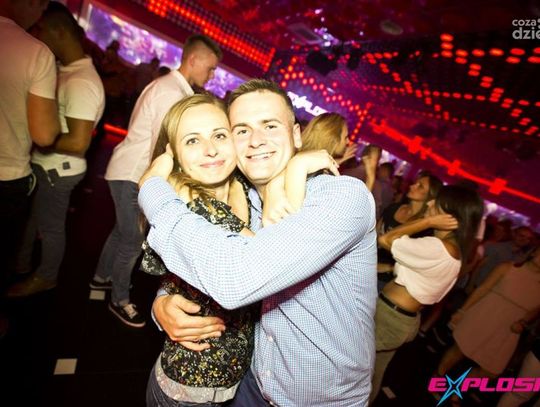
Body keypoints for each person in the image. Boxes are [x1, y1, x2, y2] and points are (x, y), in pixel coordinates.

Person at [139, 79, 377, 406]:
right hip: (251, 383)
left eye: (270, 125)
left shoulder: (341, 198)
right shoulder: (244, 198)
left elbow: (236, 278)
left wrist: (152, 188)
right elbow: (201, 254)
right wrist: (163, 301)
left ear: (296, 135)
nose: (256, 140)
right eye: (241, 130)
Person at [90, 34, 222, 328]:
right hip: (134, 175)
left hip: (126, 170)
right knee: (132, 240)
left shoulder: (169, 86)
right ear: (193, 60)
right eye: (211, 68)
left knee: (121, 233)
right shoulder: (171, 93)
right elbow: (159, 147)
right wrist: (164, 187)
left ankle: (101, 278)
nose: (212, 75)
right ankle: (119, 300)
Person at [8, 1, 105, 297]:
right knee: (33, 221)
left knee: (50, 227)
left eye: (41, 30)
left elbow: (78, 142)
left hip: (58, 170)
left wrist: (36, 135)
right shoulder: (65, 70)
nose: (37, 35)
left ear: (58, 32)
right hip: (48, 165)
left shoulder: (82, 81)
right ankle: (20, 265)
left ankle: (46, 277)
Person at [370, 185, 484, 402]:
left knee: (351, 368)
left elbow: (385, 240)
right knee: (372, 374)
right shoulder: (453, 251)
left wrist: (427, 222)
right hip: (401, 318)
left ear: (450, 217)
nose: (430, 204)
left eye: (436, 203)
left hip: (390, 317)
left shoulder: (438, 247)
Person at [0, 0, 59, 281]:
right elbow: (44, 134)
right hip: (6, 175)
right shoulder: (36, 53)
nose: (41, 14)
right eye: (42, 6)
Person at [437, 247, 540, 381]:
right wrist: (462, 311)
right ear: (534, 252)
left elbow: (534, 312)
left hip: (507, 331)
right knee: (460, 351)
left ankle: (460, 385)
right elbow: (482, 289)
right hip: (485, 315)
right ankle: (438, 377)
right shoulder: (508, 268)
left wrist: (523, 323)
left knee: (492, 371)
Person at [376, 171, 443, 291]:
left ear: (430, 196)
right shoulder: (394, 208)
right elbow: (374, 236)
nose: (412, 186)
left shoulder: (424, 227)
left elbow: (417, 262)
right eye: (415, 183)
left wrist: (389, 267)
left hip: (390, 280)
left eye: (420, 186)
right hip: (367, 266)